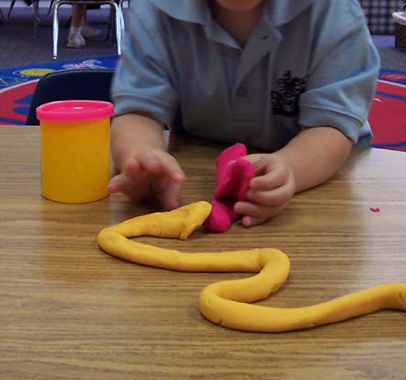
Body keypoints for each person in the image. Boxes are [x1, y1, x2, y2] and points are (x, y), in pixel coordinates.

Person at [108, 0, 380, 227]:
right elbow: (137, 111)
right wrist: (142, 157)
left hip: (320, 169)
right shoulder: (155, 8)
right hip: (199, 161)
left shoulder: (334, 10)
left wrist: (290, 168)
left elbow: (330, 126)